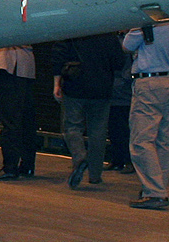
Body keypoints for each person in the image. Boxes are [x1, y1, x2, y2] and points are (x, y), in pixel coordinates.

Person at [122, 22, 169, 210]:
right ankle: (159, 186)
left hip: (149, 83)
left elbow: (126, 46)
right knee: (163, 140)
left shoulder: (145, 25)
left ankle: (154, 192)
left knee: (141, 140)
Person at [52, 33, 125, 189]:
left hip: (75, 85)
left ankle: (79, 157)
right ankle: (95, 175)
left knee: (72, 126)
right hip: (102, 88)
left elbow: (58, 57)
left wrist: (56, 84)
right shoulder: (108, 34)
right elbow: (119, 62)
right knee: (98, 132)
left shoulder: (75, 30)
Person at [0, 46, 36, 180]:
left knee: (10, 119)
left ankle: (10, 167)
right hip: (25, 65)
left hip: (10, 64)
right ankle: (27, 165)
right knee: (26, 119)